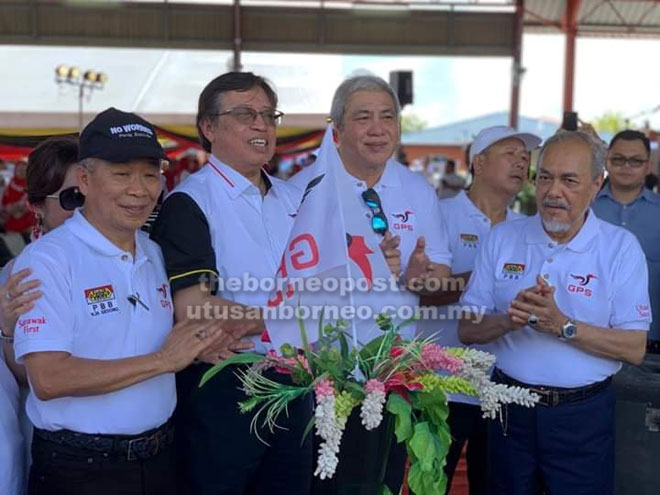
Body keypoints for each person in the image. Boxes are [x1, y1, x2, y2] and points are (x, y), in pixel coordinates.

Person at [11, 108, 224, 495]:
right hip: (81, 469)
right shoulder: (46, 260)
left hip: (161, 458)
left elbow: (152, 340)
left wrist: (198, 348)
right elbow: (48, 378)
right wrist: (162, 362)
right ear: (85, 180)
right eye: (122, 174)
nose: (140, 190)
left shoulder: (155, 252)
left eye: (150, 174)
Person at [459, 131, 649, 495]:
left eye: (569, 180)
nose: (552, 191)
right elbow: (467, 330)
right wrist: (509, 321)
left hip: (583, 418)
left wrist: (562, 326)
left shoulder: (620, 248)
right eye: (544, 176)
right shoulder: (503, 237)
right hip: (507, 411)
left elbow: (634, 347)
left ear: (596, 185)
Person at [150, 72, 313, 495]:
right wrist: (278, 320)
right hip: (227, 385)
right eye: (245, 114)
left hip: (299, 380)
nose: (262, 125)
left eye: (268, 115)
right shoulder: (190, 201)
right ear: (208, 127)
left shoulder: (295, 199)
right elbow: (194, 306)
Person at [309, 75, 453, 495]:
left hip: (393, 378)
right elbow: (290, 282)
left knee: (384, 483)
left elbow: (438, 273)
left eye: (387, 117)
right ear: (336, 128)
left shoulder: (416, 189)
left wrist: (418, 276)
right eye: (363, 117)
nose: (377, 128)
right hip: (324, 380)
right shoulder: (307, 188)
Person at [419, 125, 541, 495]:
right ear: (479, 162)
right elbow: (418, 294)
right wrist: (482, 277)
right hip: (441, 385)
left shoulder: (530, 230)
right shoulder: (438, 214)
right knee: (430, 486)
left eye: (526, 157)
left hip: (502, 387)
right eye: (511, 154)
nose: (522, 163)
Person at [0, 136, 82, 495]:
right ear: (37, 205)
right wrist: (6, 330)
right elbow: (27, 380)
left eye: (92, 195)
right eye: (70, 199)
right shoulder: (17, 279)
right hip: (58, 454)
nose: (84, 210)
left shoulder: (146, 258)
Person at [592, 130, 660, 352]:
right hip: (587, 337)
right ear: (606, 161)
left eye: (636, 161)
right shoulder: (584, 208)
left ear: (648, 166)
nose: (626, 166)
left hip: (651, 342)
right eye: (618, 159)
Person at [2, 159, 36, 248]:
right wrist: (9, 208)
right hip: (11, 225)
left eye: (23, 170)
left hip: (28, 225)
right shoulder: (11, 183)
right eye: (18, 170)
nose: (20, 172)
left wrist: (23, 209)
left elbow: (33, 203)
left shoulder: (31, 185)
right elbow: (5, 201)